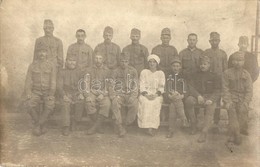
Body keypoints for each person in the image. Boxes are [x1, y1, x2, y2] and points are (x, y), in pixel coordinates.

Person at [184, 56, 221, 143]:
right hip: (198, 96)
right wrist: (197, 96)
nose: (202, 66)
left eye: (205, 64)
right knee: (188, 101)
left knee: (210, 108)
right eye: (201, 64)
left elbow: (218, 90)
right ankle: (193, 124)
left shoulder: (214, 75)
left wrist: (211, 99)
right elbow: (191, 87)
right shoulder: (195, 74)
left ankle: (204, 131)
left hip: (209, 97)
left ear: (209, 65)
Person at [24, 45, 56, 136]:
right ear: (37, 53)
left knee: (50, 105)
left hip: (47, 92)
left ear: (47, 54)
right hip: (35, 91)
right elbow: (28, 80)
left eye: (44, 52)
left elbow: (53, 81)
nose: (42, 54)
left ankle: (37, 125)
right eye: (40, 52)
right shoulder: (32, 65)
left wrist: (51, 94)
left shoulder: (51, 65)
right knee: (28, 104)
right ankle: (42, 124)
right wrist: (28, 93)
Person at [222, 51, 253, 145]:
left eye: (240, 60)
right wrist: (228, 101)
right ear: (232, 62)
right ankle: (237, 134)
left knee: (243, 110)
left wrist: (246, 102)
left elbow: (249, 91)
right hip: (230, 98)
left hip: (242, 99)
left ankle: (233, 133)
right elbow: (225, 89)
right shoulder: (227, 73)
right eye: (235, 60)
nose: (237, 62)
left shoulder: (247, 74)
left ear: (243, 62)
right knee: (231, 110)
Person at [84, 54, 113, 135]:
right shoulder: (89, 70)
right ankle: (98, 126)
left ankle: (94, 127)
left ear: (103, 60)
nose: (98, 60)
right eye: (96, 58)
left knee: (107, 104)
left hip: (103, 93)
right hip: (92, 91)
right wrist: (88, 94)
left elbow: (108, 85)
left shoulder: (107, 70)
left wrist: (103, 94)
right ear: (94, 59)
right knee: (89, 102)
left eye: (100, 58)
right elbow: (86, 82)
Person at [204, 32, 228, 130]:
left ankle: (216, 121)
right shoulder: (206, 52)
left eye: (216, 40)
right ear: (210, 41)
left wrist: (223, 79)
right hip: (208, 79)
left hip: (219, 79)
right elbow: (203, 65)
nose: (214, 42)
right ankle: (207, 121)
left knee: (217, 98)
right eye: (212, 40)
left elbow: (225, 68)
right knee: (209, 97)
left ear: (219, 41)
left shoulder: (223, 53)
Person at [111, 53, 139, 137]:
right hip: (119, 93)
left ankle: (126, 124)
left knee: (135, 105)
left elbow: (136, 85)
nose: (124, 63)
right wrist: (114, 95)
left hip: (130, 93)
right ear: (119, 61)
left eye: (126, 61)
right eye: (122, 61)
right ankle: (119, 126)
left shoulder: (133, 71)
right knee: (114, 103)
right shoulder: (115, 71)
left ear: (128, 62)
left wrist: (133, 96)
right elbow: (111, 85)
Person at [138, 54, 165, 136]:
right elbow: (141, 86)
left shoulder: (160, 73)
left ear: (157, 63)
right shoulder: (144, 72)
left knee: (155, 103)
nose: (152, 64)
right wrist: (146, 95)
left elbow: (161, 87)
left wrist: (156, 95)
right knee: (145, 102)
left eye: (154, 62)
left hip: (156, 95)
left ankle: (152, 127)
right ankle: (146, 127)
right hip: (145, 94)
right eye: (150, 62)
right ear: (148, 63)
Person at [57, 55, 85, 136]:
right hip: (66, 93)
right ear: (66, 61)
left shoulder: (79, 72)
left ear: (76, 62)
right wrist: (64, 95)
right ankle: (66, 126)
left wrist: (81, 93)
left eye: (74, 61)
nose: (72, 62)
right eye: (70, 60)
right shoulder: (62, 72)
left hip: (76, 93)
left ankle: (75, 122)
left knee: (81, 101)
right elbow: (59, 86)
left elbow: (83, 84)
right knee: (65, 104)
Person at [164, 58, 189, 138]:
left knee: (172, 108)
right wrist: (169, 95)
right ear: (171, 67)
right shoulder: (168, 76)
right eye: (174, 66)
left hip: (180, 98)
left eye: (177, 66)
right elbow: (165, 88)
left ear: (180, 67)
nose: (175, 68)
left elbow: (186, 88)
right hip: (170, 97)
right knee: (175, 103)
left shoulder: (183, 77)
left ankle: (170, 130)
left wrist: (182, 95)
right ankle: (183, 118)